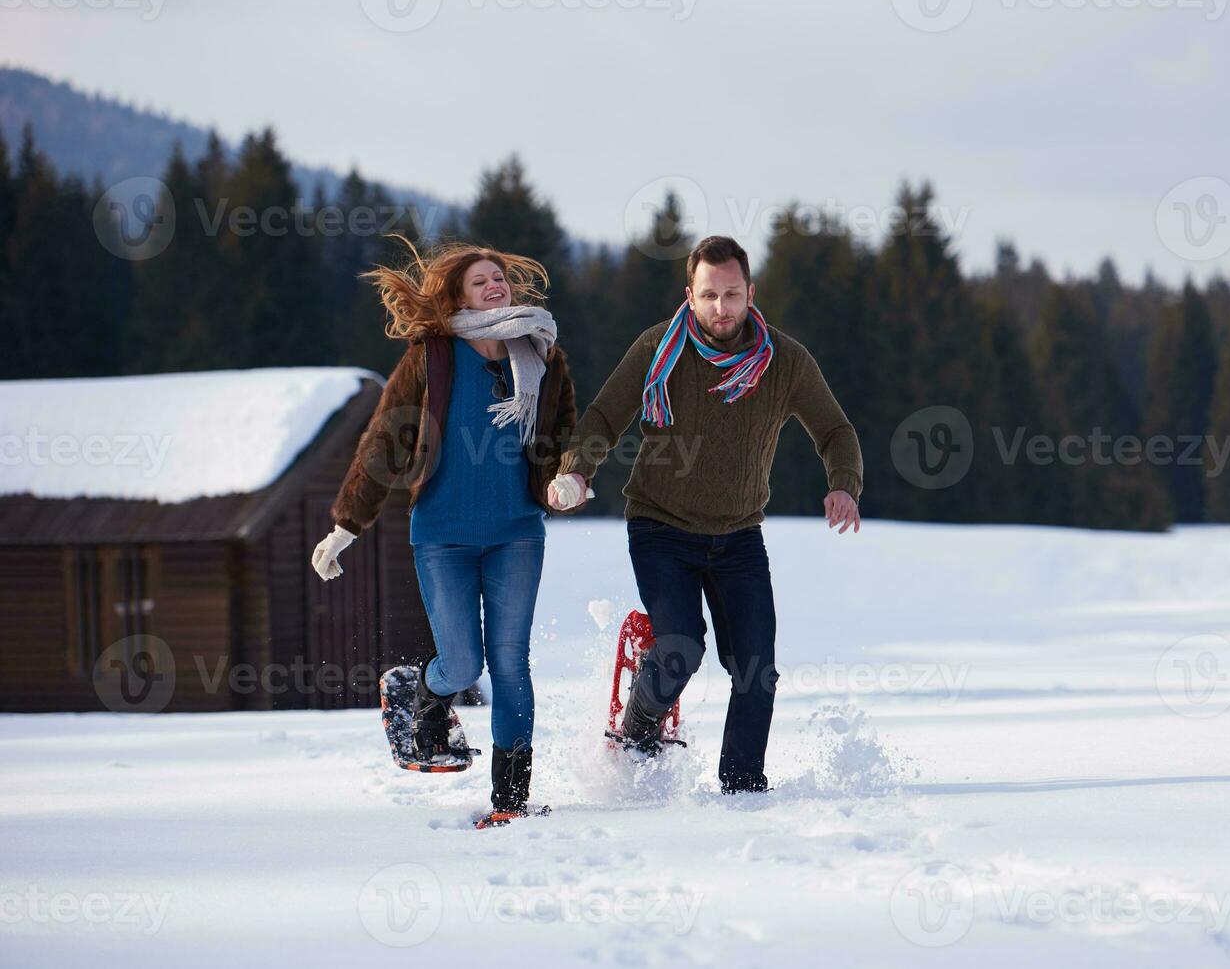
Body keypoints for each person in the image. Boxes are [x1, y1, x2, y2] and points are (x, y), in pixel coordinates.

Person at [547, 235, 862, 794]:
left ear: (750, 293)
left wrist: (843, 485)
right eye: (710, 295)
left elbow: (836, 430)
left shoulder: (784, 361)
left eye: (733, 295)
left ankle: (742, 790)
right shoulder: (655, 350)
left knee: (756, 669)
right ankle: (638, 728)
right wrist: (576, 471)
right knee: (680, 648)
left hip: (739, 538)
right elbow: (602, 417)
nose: (722, 308)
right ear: (689, 294)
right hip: (660, 528)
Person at [310, 235, 583, 822]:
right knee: (462, 666)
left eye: (499, 278)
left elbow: (562, 433)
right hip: (441, 535)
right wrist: (346, 525)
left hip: (517, 533)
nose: (495, 285)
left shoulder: (540, 353)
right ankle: (424, 692)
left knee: (510, 662)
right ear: (458, 295)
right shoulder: (431, 356)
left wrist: (568, 478)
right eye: (480, 280)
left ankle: (510, 802)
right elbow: (385, 439)